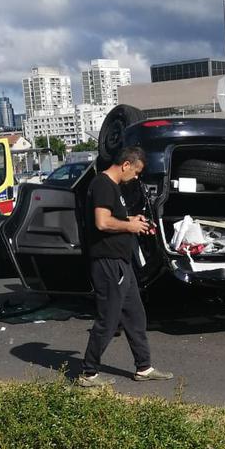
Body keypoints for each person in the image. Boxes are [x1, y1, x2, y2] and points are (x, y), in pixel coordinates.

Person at [79, 146, 173, 387]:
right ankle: (88, 373)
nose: (136, 177)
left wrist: (133, 220)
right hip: (108, 263)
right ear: (126, 165)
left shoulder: (113, 187)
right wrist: (129, 226)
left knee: (135, 315)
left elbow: (115, 218)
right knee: (109, 320)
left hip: (122, 263)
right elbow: (102, 222)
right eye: (137, 171)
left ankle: (144, 367)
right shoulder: (103, 184)